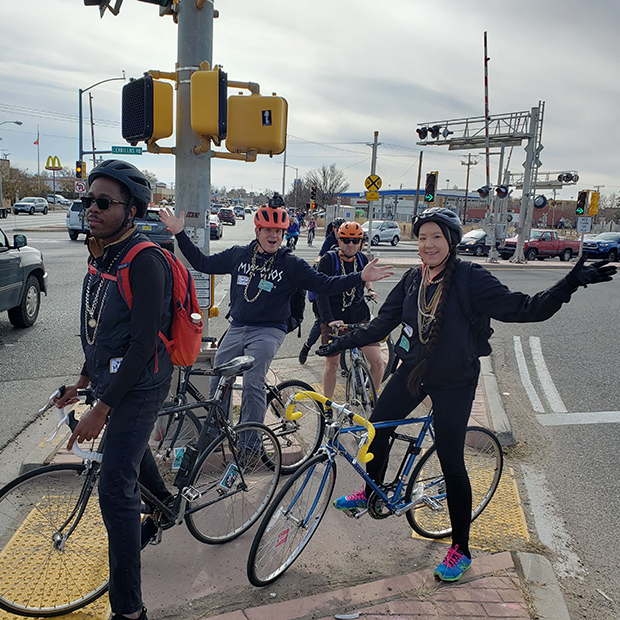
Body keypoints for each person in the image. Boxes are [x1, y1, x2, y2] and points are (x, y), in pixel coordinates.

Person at [318, 207, 616, 583]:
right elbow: (382, 324)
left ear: (451, 241)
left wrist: (568, 284)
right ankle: (371, 493)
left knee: (450, 461)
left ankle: (460, 547)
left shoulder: (470, 278)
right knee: (377, 427)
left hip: (454, 382)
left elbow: (525, 309)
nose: (428, 244)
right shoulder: (412, 279)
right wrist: (339, 344)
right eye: (422, 237)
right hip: (412, 372)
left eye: (436, 237)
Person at [54, 160, 177, 620]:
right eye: (88, 200)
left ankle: (129, 611)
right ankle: (166, 506)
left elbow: (142, 345)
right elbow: (100, 331)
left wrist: (100, 409)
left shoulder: (145, 261)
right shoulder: (101, 255)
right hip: (112, 377)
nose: (92, 208)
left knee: (114, 490)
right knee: (128, 452)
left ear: (132, 210)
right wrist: (82, 382)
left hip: (142, 383)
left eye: (104, 202)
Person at [159, 193, 392, 428]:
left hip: (269, 329)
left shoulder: (290, 263)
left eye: (279, 232)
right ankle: (218, 430)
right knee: (219, 375)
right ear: (257, 231)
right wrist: (180, 233)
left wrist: (359, 276)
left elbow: (324, 284)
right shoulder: (238, 255)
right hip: (238, 326)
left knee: (252, 379)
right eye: (268, 230)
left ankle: (250, 442)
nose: (274, 236)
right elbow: (202, 263)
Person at [316, 221, 384, 397]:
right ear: (339, 241)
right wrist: (329, 320)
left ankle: (373, 401)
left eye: (355, 241)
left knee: (378, 362)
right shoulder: (328, 261)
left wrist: (370, 290)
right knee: (332, 365)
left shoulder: (362, 259)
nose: (351, 244)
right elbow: (321, 294)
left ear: (361, 243)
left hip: (358, 316)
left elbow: (365, 278)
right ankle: (327, 405)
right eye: (346, 240)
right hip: (334, 317)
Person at [299, 217, 346, 364]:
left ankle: (344, 361)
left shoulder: (348, 244)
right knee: (321, 322)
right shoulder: (330, 243)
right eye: (338, 229)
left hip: (338, 293)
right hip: (322, 291)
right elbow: (320, 257)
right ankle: (306, 347)